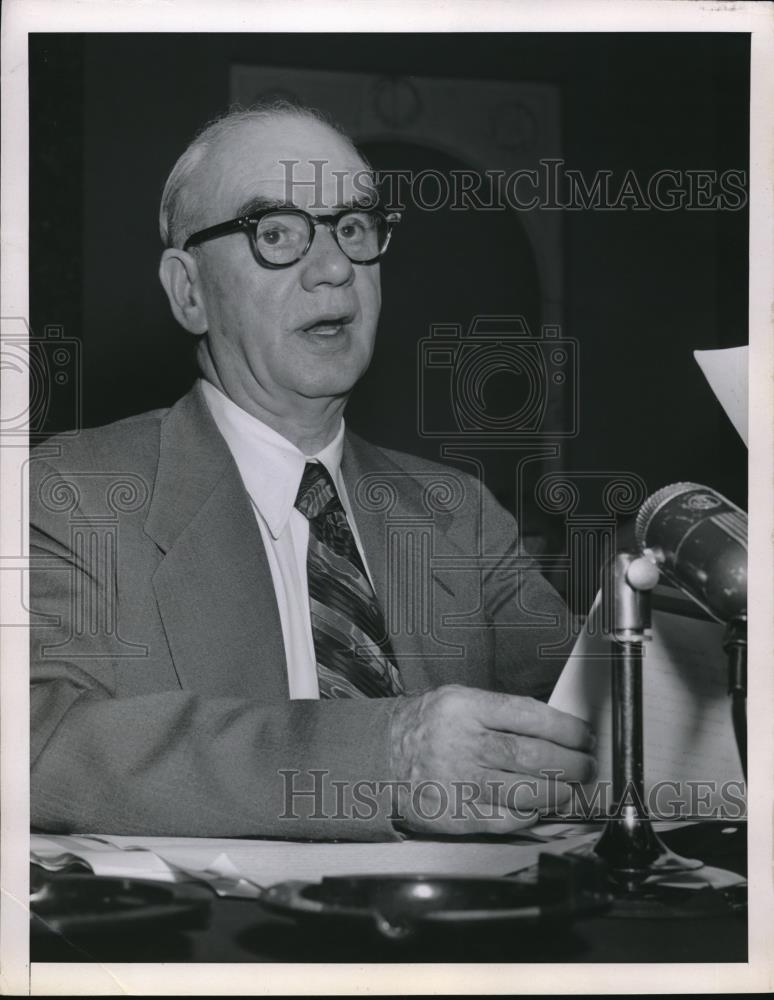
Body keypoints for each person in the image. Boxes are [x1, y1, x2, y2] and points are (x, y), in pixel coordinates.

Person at [30, 102, 595, 840]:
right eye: (276, 235)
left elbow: (601, 718)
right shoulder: (73, 494)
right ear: (189, 291)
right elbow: (34, 743)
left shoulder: (458, 511)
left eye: (354, 229)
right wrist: (384, 757)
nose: (334, 269)